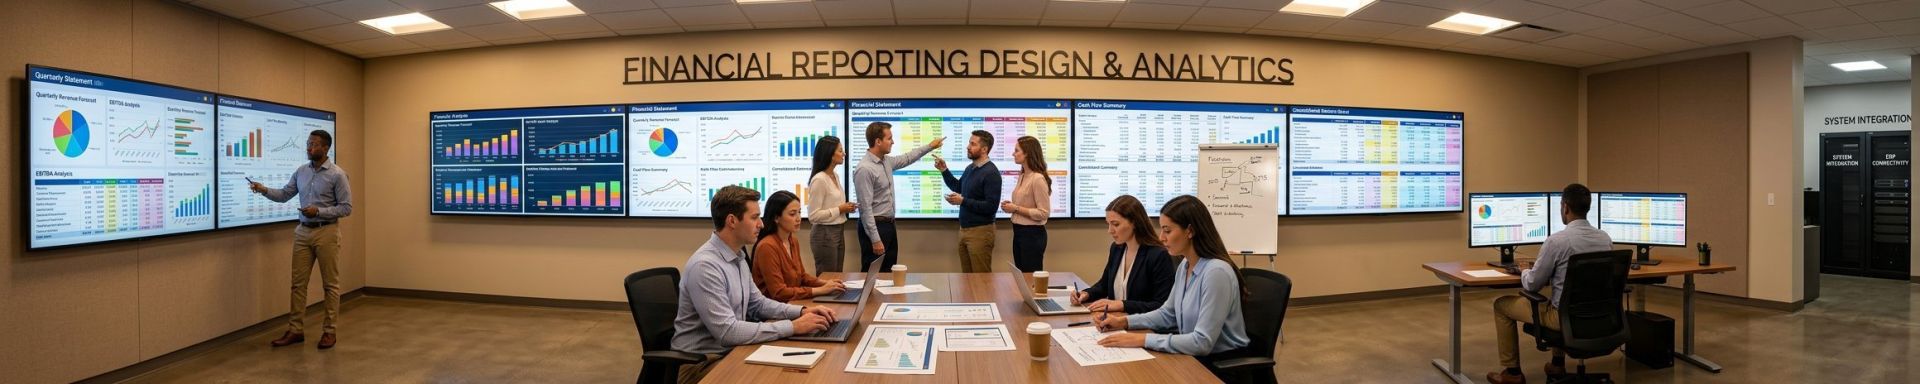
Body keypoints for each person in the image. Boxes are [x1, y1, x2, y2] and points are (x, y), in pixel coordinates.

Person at [673, 186, 836, 384]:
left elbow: (758, 304)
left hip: (732, 351)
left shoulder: (738, 255)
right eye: (754, 217)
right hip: (702, 364)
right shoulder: (705, 266)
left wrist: (802, 311)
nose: (761, 224)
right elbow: (727, 332)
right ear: (732, 221)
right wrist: (792, 327)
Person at [1096, 195, 1251, 381]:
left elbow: (1202, 342)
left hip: (1219, 367)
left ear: (1190, 231)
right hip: (1193, 357)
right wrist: (1124, 322)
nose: (1161, 238)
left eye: (1167, 231)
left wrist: (1142, 339)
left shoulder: (1216, 272)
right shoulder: (1185, 266)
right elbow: (1167, 314)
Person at [1486, 183, 1613, 384]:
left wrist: (1525, 270)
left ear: (1565, 208)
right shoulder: (1605, 239)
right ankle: (1556, 364)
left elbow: (1533, 285)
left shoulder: (1557, 241)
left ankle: (1512, 373)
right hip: (1601, 318)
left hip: (1564, 319)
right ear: (1587, 207)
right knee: (1561, 296)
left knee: (1501, 305)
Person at [251, 130, 352, 350]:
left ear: (325, 148)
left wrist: (319, 212)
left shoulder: (337, 174)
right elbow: (285, 195)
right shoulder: (301, 172)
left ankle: (329, 331)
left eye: (314, 144)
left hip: (327, 231)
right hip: (303, 232)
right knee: (298, 285)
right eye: (307, 144)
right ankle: (295, 330)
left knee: (330, 285)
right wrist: (263, 190)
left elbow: (346, 208)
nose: (309, 148)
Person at [853, 122, 943, 271]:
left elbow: (908, 158)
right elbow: (865, 208)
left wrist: (930, 146)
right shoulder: (864, 169)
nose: (893, 142)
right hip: (875, 226)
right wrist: (875, 239)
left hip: (888, 225)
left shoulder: (886, 161)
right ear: (878, 141)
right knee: (874, 273)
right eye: (889, 138)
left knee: (889, 272)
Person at [1072, 195, 1176, 315]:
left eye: (1115, 224)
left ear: (1135, 223)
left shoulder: (1158, 255)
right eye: (1108, 224)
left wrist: (1122, 305)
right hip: (1115, 321)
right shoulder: (1117, 248)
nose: (1110, 230)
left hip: (1141, 327)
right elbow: (1104, 285)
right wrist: (1086, 294)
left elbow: (1161, 305)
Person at [752, 190, 847, 302]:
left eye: (799, 212)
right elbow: (779, 293)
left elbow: (801, 276)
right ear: (776, 218)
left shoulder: (792, 240)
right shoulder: (767, 246)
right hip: (775, 311)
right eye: (792, 214)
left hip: (792, 303)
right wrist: (820, 290)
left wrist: (826, 283)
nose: (798, 218)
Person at [934, 130, 1000, 273]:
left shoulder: (991, 173)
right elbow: (959, 187)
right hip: (964, 230)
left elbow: (991, 207)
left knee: (981, 279)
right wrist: (944, 170)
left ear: (984, 149)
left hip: (981, 232)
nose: (968, 147)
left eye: (972, 144)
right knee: (968, 279)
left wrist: (963, 201)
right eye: (969, 143)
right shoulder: (970, 168)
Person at [1000, 136, 1052, 272]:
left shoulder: (1037, 178)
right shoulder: (1023, 175)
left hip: (1032, 235)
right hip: (1018, 232)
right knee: (1021, 276)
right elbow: (1024, 204)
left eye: (1017, 150)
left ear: (1027, 153)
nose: (1013, 154)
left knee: (1030, 278)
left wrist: (1016, 208)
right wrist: (1011, 206)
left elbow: (1044, 213)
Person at [806, 136, 857, 273]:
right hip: (824, 234)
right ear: (830, 154)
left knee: (837, 276)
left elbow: (832, 205)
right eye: (840, 151)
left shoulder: (835, 175)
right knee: (828, 278)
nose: (844, 154)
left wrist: (846, 207)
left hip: (838, 230)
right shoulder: (819, 180)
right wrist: (840, 209)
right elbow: (813, 216)